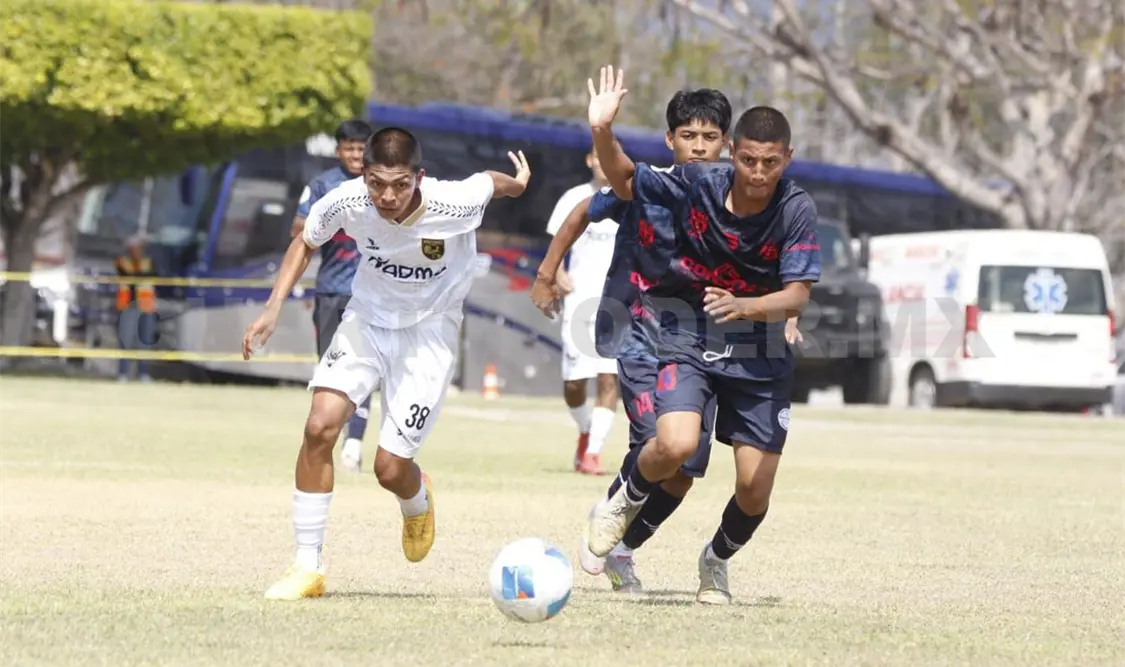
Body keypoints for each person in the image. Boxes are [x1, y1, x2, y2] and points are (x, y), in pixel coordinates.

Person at [243, 127, 532, 601]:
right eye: (377, 182)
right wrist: (273, 305)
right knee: (319, 428)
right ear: (363, 173)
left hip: (430, 333)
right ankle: (307, 566)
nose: (387, 195)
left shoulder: (454, 202)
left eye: (400, 183)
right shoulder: (346, 200)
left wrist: (517, 185)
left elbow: (490, 181)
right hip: (367, 320)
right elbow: (304, 240)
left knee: (389, 469)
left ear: (419, 177)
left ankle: (416, 500)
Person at [583, 66, 822, 605]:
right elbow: (624, 181)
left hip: (759, 353)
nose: (758, 173)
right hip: (690, 335)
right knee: (676, 445)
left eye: (770, 163)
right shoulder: (699, 182)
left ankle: (715, 561)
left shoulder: (796, 209)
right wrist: (602, 130)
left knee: (754, 488)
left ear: (787, 159)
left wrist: (748, 306)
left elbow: (798, 295)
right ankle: (623, 501)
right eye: (748, 160)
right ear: (732, 152)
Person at [531, 89, 733, 593]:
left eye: (711, 137)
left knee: (683, 472)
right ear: (670, 140)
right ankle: (611, 510)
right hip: (639, 332)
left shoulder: (737, 199)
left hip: (702, 345)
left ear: (726, 143)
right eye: (689, 136)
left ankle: (622, 546)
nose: (700, 147)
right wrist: (546, 272)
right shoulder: (647, 185)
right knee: (658, 447)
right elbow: (581, 212)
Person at [290, 119, 375, 473]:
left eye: (361, 148)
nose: (356, 155)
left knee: (365, 369)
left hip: (370, 295)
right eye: (349, 148)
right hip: (329, 290)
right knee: (330, 370)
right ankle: (326, 437)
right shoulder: (322, 185)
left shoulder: (382, 184)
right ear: (338, 150)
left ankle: (353, 446)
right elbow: (299, 230)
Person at [544, 147, 621, 475]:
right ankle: (585, 428)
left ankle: (593, 452)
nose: (604, 163)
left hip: (617, 304)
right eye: (598, 157)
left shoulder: (629, 197)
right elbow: (555, 242)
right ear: (590, 161)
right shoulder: (574, 198)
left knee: (609, 378)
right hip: (580, 302)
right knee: (575, 383)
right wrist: (557, 274)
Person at [114, 234, 157, 382]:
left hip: (146, 307)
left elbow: (153, 274)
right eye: (134, 248)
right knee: (126, 340)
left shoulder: (149, 262)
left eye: (139, 248)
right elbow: (128, 277)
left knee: (145, 341)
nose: (137, 251)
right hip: (127, 307)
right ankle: (123, 374)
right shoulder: (122, 262)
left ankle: (143, 374)